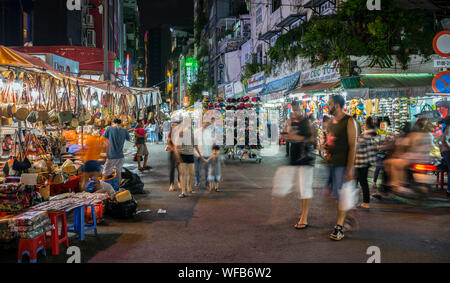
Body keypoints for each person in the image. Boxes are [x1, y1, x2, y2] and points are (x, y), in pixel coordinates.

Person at [325, 94, 358, 241]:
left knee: (341, 197)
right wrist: (327, 148)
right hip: (332, 164)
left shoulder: (349, 121)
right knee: (338, 196)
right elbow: (332, 140)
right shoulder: (332, 121)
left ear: (337, 105)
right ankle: (348, 217)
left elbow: (353, 146)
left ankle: (339, 226)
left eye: (329, 103)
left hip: (343, 165)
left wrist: (350, 168)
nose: (327, 106)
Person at [285, 111, 316, 229]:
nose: (293, 113)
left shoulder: (306, 124)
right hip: (299, 161)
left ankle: (304, 218)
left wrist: (294, 136)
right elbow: (289, 136)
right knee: (301, 189)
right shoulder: (294, 123)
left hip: (305, 161)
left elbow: (310, 138)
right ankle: (304, 214)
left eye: (295, 110)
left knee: (305, 190)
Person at [172, 119, 200, 198]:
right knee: (183, 173)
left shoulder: (191, 133)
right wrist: (177, 155)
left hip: (190, 154)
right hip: (182, 154)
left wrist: (200, 154)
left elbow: (195, 144)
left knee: (191, 173)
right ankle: (183, 192)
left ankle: (189, 188)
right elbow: (176, 145)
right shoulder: (180, 132)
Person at [354, 117, 377, 209]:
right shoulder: (368, 136)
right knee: (362, 182)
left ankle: (361, 202)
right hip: (365, 162)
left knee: (358, 182)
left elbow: (356, 149)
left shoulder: (363, 137)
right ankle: (364, 202)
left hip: (361, 162)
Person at [102, 118, 130, 184]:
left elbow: (102, 138)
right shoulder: (124, 130)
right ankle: (118, 189)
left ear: (113, 122)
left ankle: (101, 190)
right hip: (120, 156)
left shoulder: (109, 128)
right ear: (120, 123)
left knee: (105, 174)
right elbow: (128, 139)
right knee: (119, 174)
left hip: (111, 155)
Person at [194, 119, 214, 189]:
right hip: (197, 153)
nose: (205, 124)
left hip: (206, 153)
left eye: (207, 123)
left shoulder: (210, 132)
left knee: (207, 169)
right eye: (204, 122)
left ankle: (207, 183)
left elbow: (211, 143)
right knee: (197, 169)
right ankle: (197, 181)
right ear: (202, 123)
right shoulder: (196, 131)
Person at [167, 121, 181, 192]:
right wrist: (174, 150)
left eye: (176, 125)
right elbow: (168, 143)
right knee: (172, 169)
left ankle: (179, 181)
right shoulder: (170, 133)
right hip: (172, 152)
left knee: (180, 169)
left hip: (180, 152)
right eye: (173, 125)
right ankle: (171, 184)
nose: (174, 126)